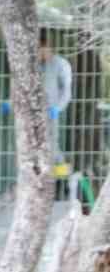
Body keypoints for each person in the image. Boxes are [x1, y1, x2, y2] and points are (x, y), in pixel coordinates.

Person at [41, 32, 73, 172]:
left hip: (55, 111)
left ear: (48, 47)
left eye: (41, 49)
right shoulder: (34, 64)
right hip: (35, 111)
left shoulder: (61, 64)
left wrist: (57, 108)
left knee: (52, 144)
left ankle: (64, 181)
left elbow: (67, 90)